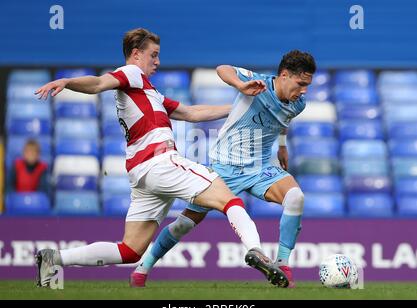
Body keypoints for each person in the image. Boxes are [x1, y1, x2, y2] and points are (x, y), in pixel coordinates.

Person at [34, 28, 288, 288]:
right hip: (160, 162)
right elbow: (99, 83)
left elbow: (191, 112)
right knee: (229, 199)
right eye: (153, 55)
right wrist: (67, 82)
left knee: (130, 250)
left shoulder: (147, 92)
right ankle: (255, 250)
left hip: (142, 173)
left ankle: (54, 258)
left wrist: (239, 109)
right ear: (135, 54)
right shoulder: (131, 73)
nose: (157, 62)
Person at [135, 50, 316, 288]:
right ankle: (142, 268)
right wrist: (240, 85)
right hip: (225, 167)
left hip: (261, 168)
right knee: (184, 224)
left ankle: (282, 266)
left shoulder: (298, 104)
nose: (304, 90)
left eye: (307, 85)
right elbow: (223, 68)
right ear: (284, 75)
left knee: (295, 197)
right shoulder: (258, 84)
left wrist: (282, 147)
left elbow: (284, 119)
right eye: (301, 83)